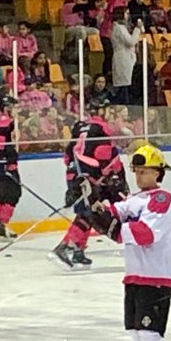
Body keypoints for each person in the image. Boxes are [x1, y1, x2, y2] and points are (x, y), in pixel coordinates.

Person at [89, 144, 171, 341]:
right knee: (138, 334)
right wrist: (93, 202)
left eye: (145, 171)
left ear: (158, 172)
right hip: (135, 276)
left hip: (156, 276)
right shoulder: (135, 199)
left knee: (150, 334)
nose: (139, 176)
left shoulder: (161, 199)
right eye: (136, 171)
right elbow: (113, 211)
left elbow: (146, 233)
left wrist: (113, 230)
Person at [52, 96, 127, 268]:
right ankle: (65, 247)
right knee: (89, 213)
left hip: (75, 174)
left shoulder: (79, 126)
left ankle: (78, 251)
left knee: (86, 212)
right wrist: (109, 174)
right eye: (107, 109)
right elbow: (103, 154)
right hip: (90, 176)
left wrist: (75, 176)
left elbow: (68, 154)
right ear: (101, 110)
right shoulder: (102, 128)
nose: (109, 113)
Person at [0, 95, 21, 239]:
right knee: (13, 194)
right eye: (14, 107)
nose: (17, 110)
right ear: (7, 108)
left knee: (2, 195)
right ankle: (3, 224)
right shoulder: (4, 121)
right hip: (3, 166)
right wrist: (3, 162)